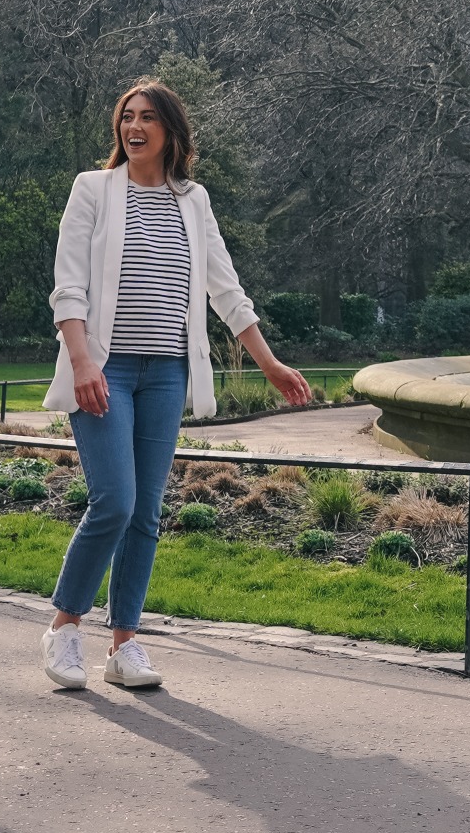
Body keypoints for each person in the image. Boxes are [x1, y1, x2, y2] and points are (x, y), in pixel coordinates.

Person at [40, 80, 312, 691]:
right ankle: (64, 628)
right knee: (115, 502)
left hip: (166, 374)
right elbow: (68, 285)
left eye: (147, 117)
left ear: (171, 131)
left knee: (145, 513)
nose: (133, 127)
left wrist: (268, 363)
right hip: (105, 369)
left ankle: (124, 646)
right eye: (126, 116)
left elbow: (226, 289)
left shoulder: (193, 200)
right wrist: (82, 363)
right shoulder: (93, 190)